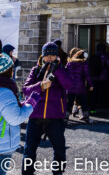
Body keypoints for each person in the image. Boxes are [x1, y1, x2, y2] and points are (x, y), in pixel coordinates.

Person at [22, 42, 73, 175]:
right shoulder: (36, 70)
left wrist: (57, 70)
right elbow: (25, 90)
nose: (49, 58)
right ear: (42, 56)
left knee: (59, 149)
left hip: (55, 116)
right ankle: (27, 172)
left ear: (57, 56)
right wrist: (40, 86)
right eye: (47, 55)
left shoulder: (62, 69)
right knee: (29, 151)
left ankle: (58, 172)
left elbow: (68, 85)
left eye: (52, 55)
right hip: (35, 115)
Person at [0, 50, 39, 175]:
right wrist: (31, 103)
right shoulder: (5, 91)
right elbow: (15, 118)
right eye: (12, 69)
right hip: (2, 144)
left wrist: (21, 104)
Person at [65, 48, 93, 124]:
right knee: (83, 102)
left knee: (69, 103)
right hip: (80, 86)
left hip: (70, 86)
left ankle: (65, 118)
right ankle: (86, 117)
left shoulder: (69, 63)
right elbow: (87, 75)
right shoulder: (84, 63)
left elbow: (65, 74)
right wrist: (91, 84)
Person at [90, 43, 109, 111]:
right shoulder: (105, 56)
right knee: (105, 92)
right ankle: (107, 105)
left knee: (95, 93)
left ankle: (92, 107)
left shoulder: (94, 56)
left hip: (94, 77)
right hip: (104, 77)